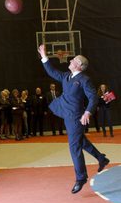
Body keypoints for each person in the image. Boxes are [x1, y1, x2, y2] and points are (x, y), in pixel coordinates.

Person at [38, 44, 110, 194]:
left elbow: (93, 97)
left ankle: (81, 177)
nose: (70, 60)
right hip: (66, 113)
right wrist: (44, 56)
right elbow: (52, 71)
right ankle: (101, 158)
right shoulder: (66, 76)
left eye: (73, 60)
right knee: (80, 141)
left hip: (76, 117)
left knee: (74, 146)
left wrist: (87, 113)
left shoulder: (84, 79)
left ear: (79, 65)